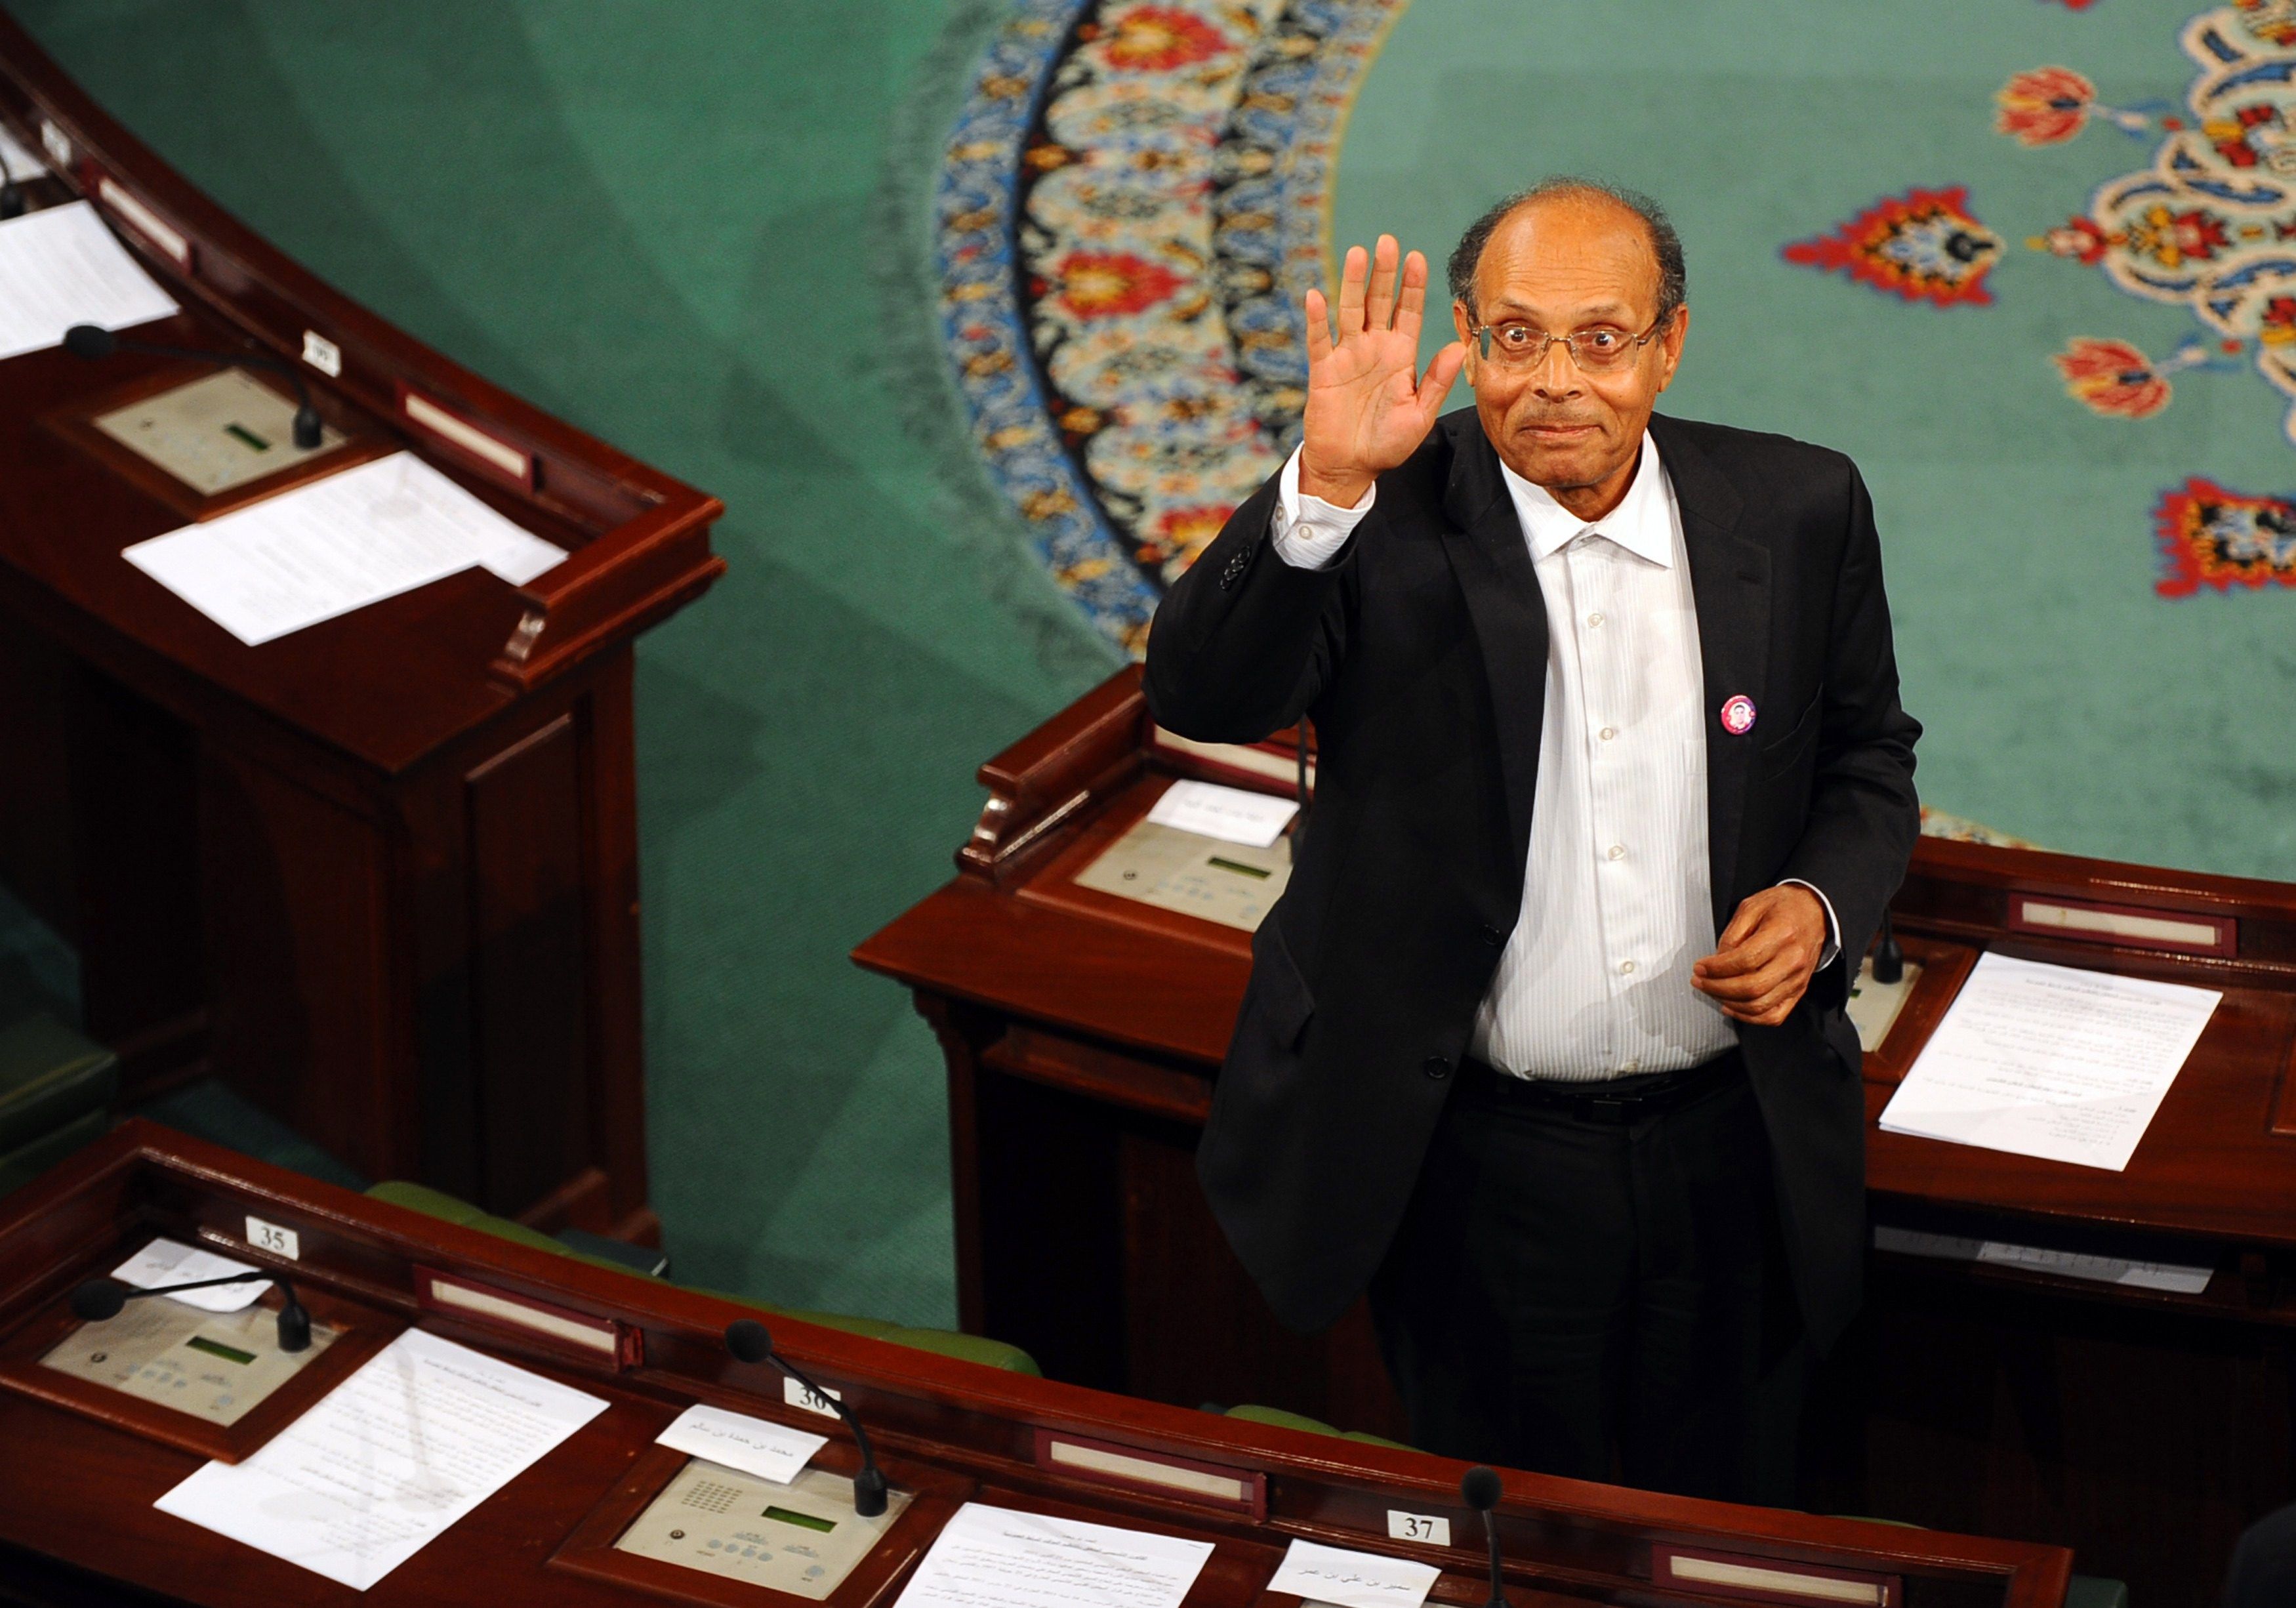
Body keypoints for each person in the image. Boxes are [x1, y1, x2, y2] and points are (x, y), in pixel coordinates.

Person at [1142, 178, 1921, 1501]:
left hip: (1733, 1147)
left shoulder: (1798, 510)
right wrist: (1324, 481)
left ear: (1668, 344)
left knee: (1725, 1526)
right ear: (1466, 335)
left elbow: (1865, 756)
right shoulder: (1378, 517)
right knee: (1509, 1536)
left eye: (1599, 339)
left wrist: (1818, 900)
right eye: (1514, 338)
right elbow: (1202, 697)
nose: (1555, 381)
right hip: (1471, 1161)